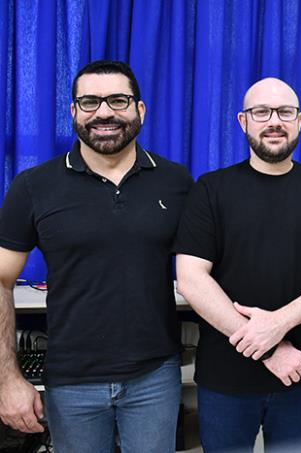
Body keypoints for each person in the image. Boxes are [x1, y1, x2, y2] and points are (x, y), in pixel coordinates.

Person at [0, 60, 193, 452]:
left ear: (140, 110)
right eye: (90, 102)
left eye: (118, 100)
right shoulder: (34, 187)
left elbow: (209, 267)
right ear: (73, 112)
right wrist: (7, 379)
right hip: (71, 382)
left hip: (155, 377)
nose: (104, 112)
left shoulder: (176, 182)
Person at [173, 77, 301, 452]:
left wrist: (278, 323)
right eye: (262, 112)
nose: (274, 120)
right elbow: (191, 278)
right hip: (226, 380)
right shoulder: (211, 188)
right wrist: (269, 347)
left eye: (284, 112)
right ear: (243, 121)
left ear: (300, 120)